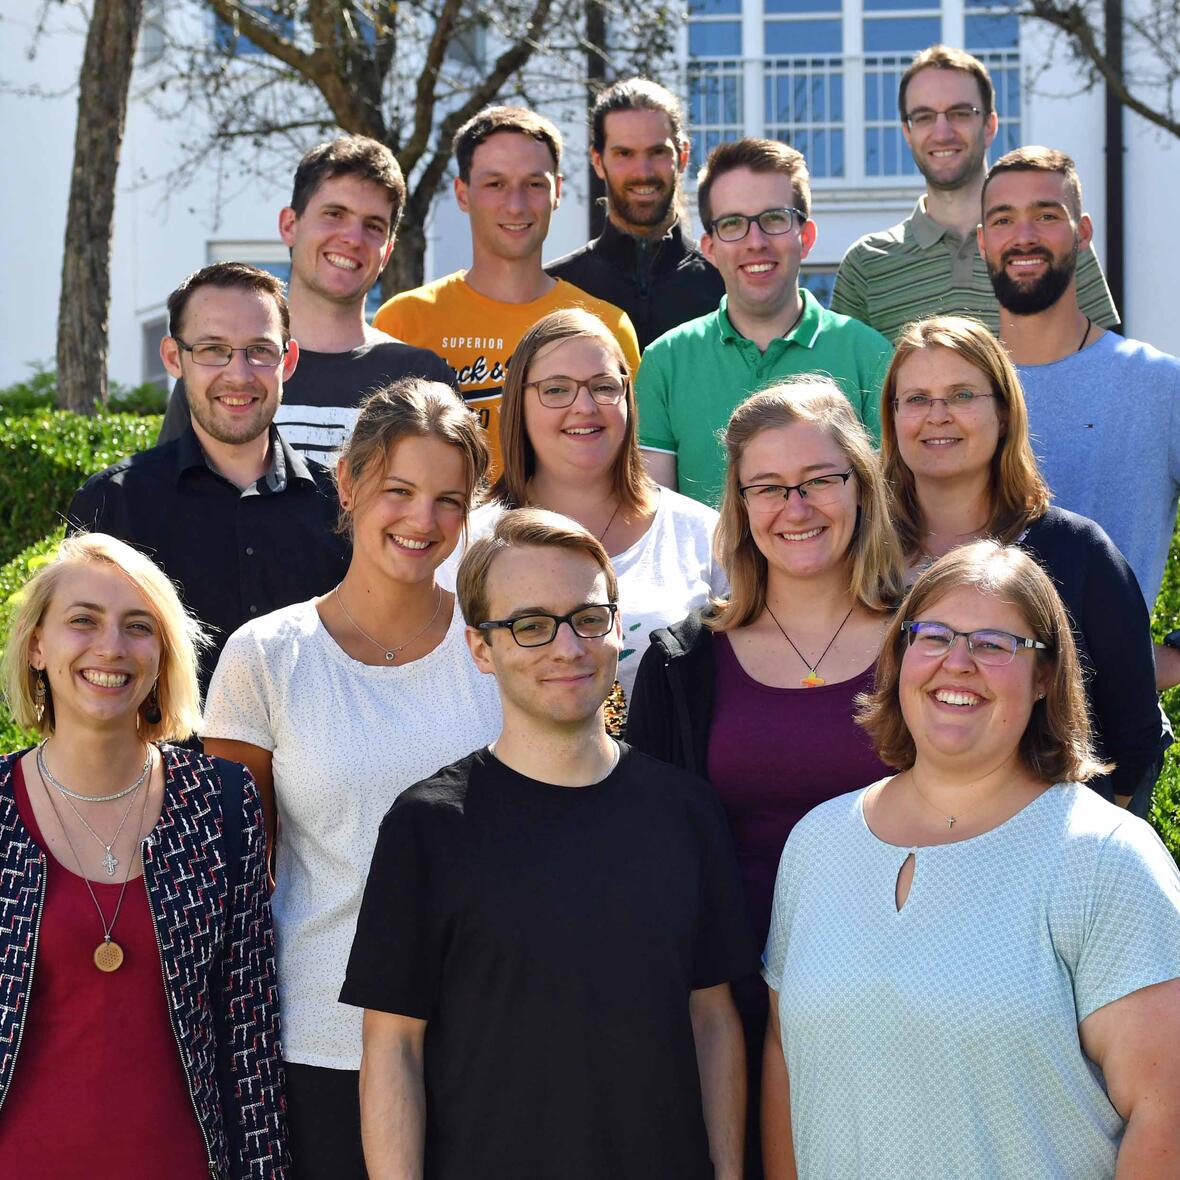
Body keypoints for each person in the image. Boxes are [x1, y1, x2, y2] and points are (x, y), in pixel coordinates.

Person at [342, 508, 756, 1179]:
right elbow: (393, 1049)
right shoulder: (429, 827)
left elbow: (713, 1020)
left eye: (588, 618)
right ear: (481, 648)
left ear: (618, 628)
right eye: (530, 626)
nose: (568, 647)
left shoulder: (685, 813)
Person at [762, 542, 1180, 1178]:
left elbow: (1165, 1114)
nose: (957, 663)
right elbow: (784, 1057)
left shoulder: (1104, 861)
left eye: (994, 644)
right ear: (901, 656)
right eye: (932, 636)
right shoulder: (818, 843)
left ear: (1045, 677)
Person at [202, 378, 502, 1179]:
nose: (422, 521)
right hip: (318, 1043)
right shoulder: (266, 656)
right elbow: (234, 877)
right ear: (348, 482)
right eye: (398, 490)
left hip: (485, 1040)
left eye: (448, 499)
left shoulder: (498, 650)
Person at [627, 379, 903, 1179]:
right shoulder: (684, 663)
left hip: (902, 993)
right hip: (734, 1006)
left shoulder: (931, 639)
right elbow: (653, 856)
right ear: (740, 507)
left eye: (821, 479)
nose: (798, 505)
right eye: (769, 487)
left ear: (861, 483)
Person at [0, 532, 286, 1177]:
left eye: (139, 627)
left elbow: (250, 1031)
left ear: (162, 656)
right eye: (83, 621)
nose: (111, 648)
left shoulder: (222, 802)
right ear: (38, 645)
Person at [879, 314, 1168, 817]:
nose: (937, 414)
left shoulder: (1078, 554)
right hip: (889, 847)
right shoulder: (860, 555)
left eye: (963, 395)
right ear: (892, 417)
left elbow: (1133, 739)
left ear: (1006, 414)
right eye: (917, 398)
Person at [69, 262, 349, 694]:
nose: (238, 374)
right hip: (165, 760)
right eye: (213, 349)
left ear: (287, 360)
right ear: (172, 357)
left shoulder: (342, 507)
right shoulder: (113, 503)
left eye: (259, 350)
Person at [436, 307, 725, 710]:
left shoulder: (702, 534)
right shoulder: (467, 545)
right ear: (518, 403)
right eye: (556, 389)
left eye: (604, 387)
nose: (585, 406)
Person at [979, 145, 1180, 687]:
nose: (1023, 236)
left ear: (1082, 231)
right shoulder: (956, 393)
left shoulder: (1159, 384)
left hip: (1115, 734)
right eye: (1003, 220)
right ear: (982, 241)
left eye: (1046, 215)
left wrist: (1166, 661)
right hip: (961, 715)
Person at [372, 106, 641, 470]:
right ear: (463, 194)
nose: (515, 205)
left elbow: (629, 468)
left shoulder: (605, 327)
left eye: (534, 184)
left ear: (557, 191)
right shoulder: (404, 321)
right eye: (495, 184)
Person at [158, 135, 454, 461]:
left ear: (387, 253)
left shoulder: (421, 376)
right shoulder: (220, 367)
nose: (353, 238)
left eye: (373, 225)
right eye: (334, 214)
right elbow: (169, 496)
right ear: (289, 225)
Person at [636, 138, 890, 507]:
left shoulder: (871, 356)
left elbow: (887, 510)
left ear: (806, 237)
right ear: (709, 248)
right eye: (733, 223)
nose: (755, 242)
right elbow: (661, 524)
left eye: (774, 219)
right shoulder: (665, 362)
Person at [830, 44, 1118, 340]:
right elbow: (845, 383)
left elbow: (1100, 363)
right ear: (907, 132)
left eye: (960, 113)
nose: (942, 133)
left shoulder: (1051, 241)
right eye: (924, 117)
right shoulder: (866, 264)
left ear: (990, 125)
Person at [546, 77, 724, 348]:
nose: (643, 172)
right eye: (624, 154)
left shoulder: (726, 287)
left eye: (657, 152)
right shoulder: (554, 289)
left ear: (683, 156)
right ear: (598, 161)